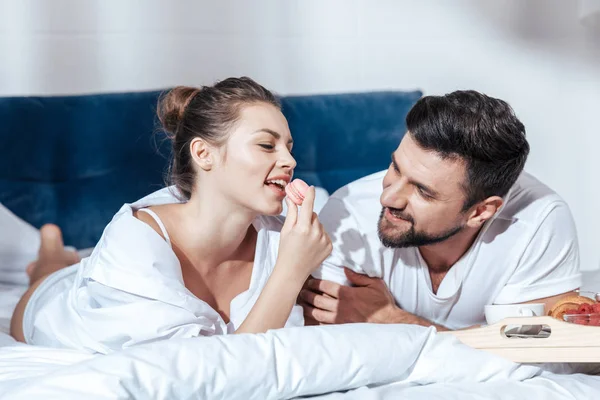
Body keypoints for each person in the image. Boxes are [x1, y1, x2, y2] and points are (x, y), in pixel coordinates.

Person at [10, 77, 332, 353]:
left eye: (289, 147)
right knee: (47, 277)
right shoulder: (136, 237)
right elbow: (218, 373)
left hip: (123, 281)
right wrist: (290, 270)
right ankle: (48, 251)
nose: (290, 160)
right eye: (266, 145)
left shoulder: (286, 238)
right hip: (50, 309)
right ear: (204, 154)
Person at [299, 90, 581, 331]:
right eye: (395, 167)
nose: (388, 197)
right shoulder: (348, 214)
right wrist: (475, 339)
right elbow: (331, 350)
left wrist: (392, 320)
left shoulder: (540, 218)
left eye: (422, 191)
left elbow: (531, 355)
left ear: (481, 212)